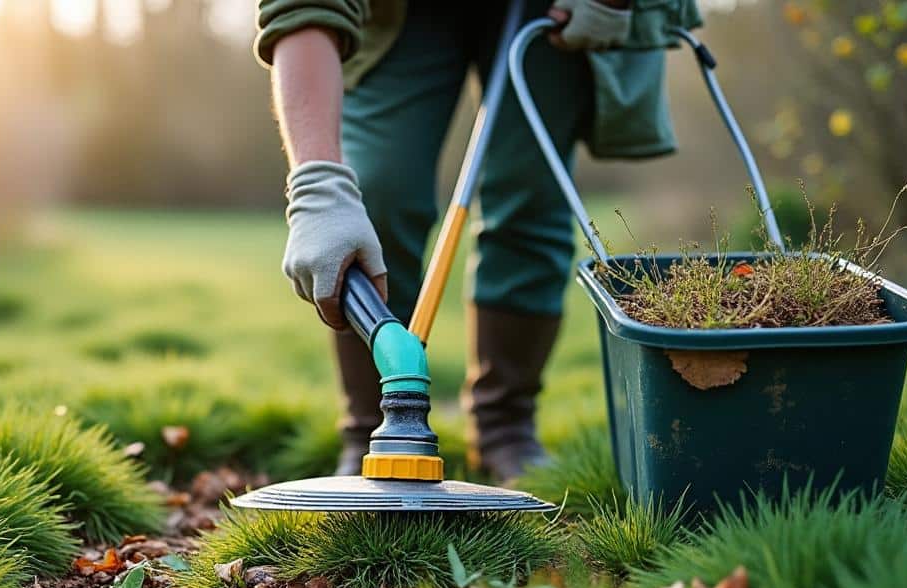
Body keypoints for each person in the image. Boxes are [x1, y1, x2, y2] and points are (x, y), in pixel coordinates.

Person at [255, 0, 701, 483]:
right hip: (400, 13)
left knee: (530, 194)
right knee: (377, 189)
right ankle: (372, 430)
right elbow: (302, 9)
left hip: (546, 12)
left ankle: (504, 427)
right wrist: (317, 188)